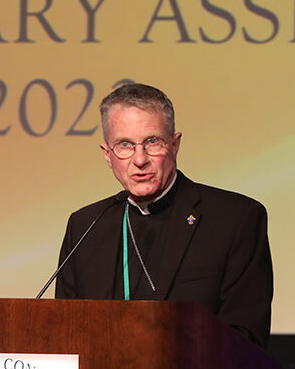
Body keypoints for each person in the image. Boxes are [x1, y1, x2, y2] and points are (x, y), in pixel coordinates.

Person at [55, 83, 273, 348]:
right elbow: (64, 337)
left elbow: (246, 338)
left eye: (152, 142)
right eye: (124, 145)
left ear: (175, 144)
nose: (139, 160)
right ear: (108, 155)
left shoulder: (234, 219)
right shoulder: (85, 228)